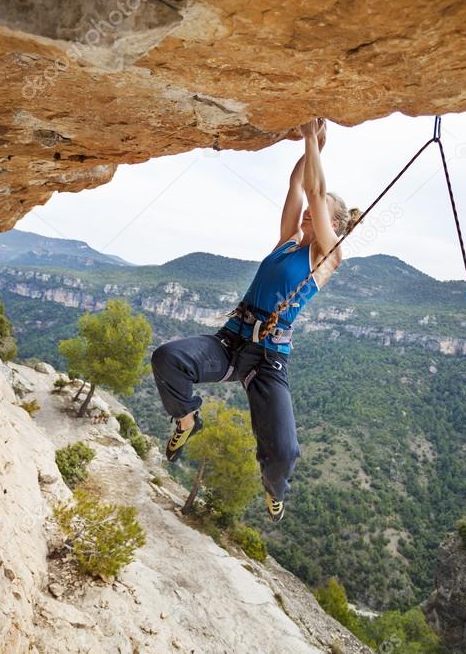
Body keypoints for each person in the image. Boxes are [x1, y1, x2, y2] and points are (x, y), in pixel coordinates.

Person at [150, 117, 362, 522]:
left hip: (268, 359)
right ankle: (186, 418)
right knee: (167, 358)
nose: (306, 217)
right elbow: (297, 187)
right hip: (231, 342)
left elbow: (315, 190)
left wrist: (309, 141)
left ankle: (274, 488)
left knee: (284, 451)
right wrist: (312, 145)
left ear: (332, 225)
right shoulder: (286, 244)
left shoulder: (327, 256)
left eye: (318, 215)